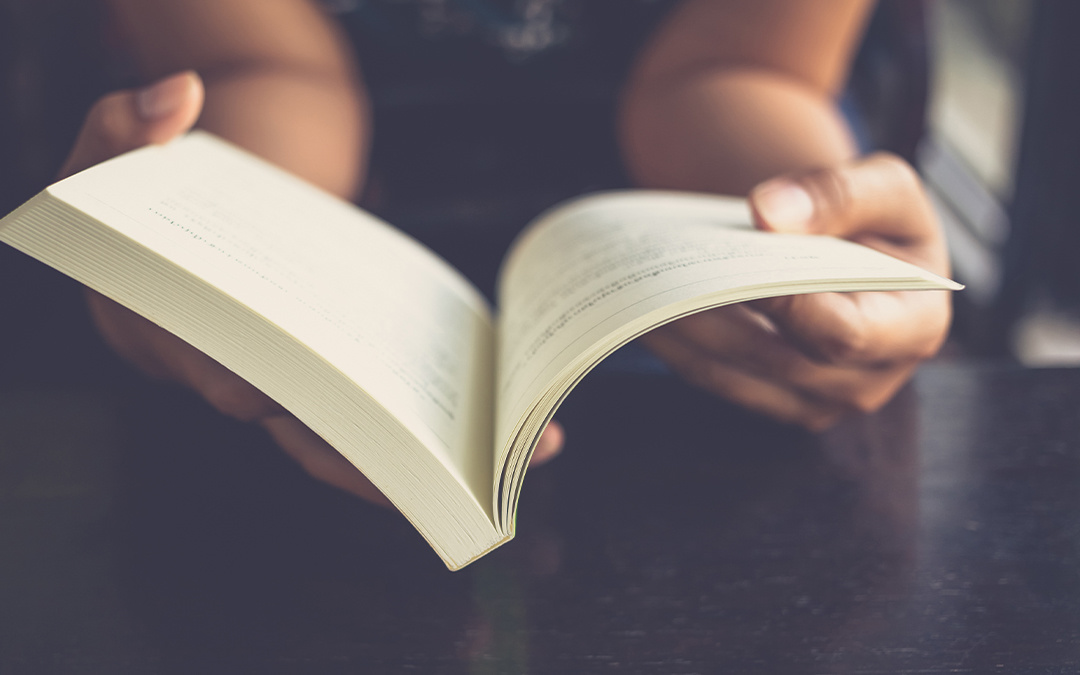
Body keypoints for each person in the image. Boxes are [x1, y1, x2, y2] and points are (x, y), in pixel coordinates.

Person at [60, 0, 951, 504]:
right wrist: (211, 244)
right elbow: (263, 67)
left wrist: (820, 241)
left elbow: (742, 68)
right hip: (306, 374)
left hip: (693, 366)